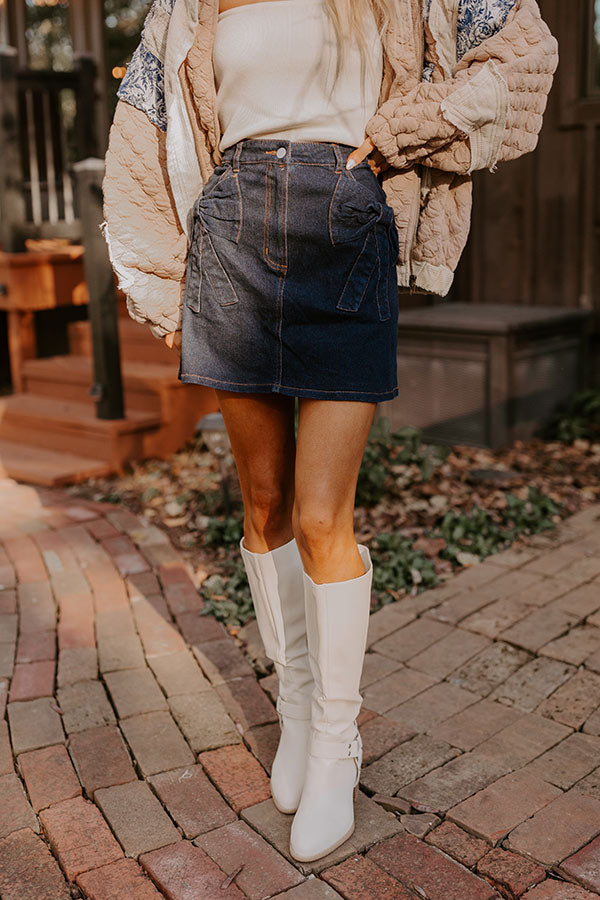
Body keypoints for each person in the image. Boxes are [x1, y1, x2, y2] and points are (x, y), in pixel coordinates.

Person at [102, 0, 558, 863]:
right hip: (229, 231)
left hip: (345, 220)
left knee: (321, 516)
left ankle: (339, 746)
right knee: (265, 508)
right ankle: (300, 716)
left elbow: (522, 54)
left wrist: (406, 130)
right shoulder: (186, 5)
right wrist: (158, 278)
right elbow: (143, 128)